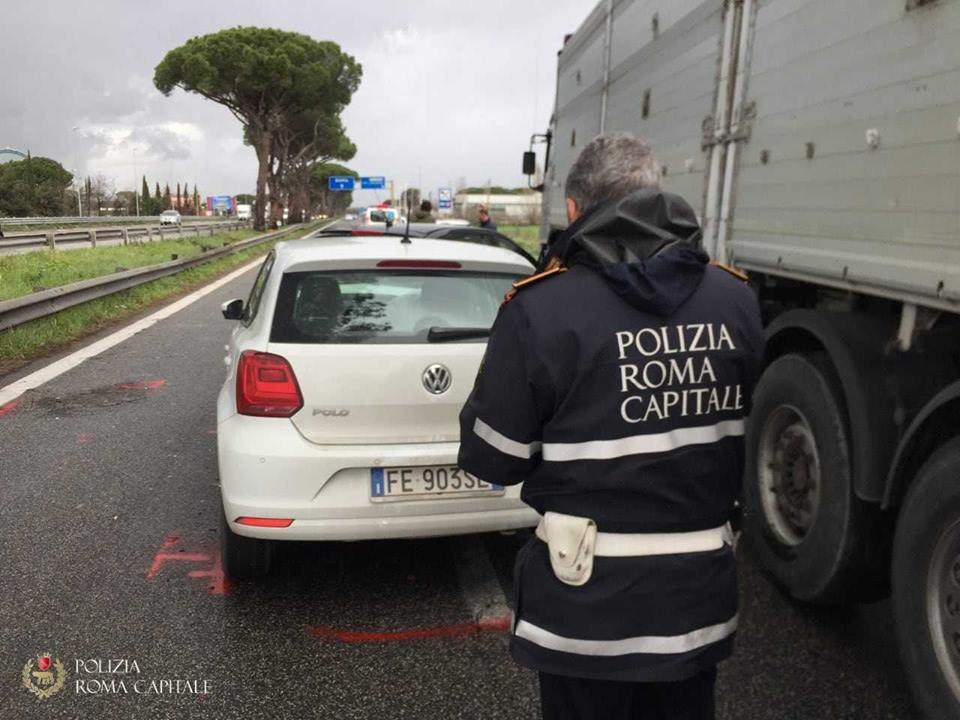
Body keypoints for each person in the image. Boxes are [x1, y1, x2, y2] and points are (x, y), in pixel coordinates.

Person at [458, 132, 764, 720]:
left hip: (584, 611)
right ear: (655, 194)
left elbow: (494, 458)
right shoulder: (737, 300)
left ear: (574, 211)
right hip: (696, 606)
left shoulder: (539, 308)